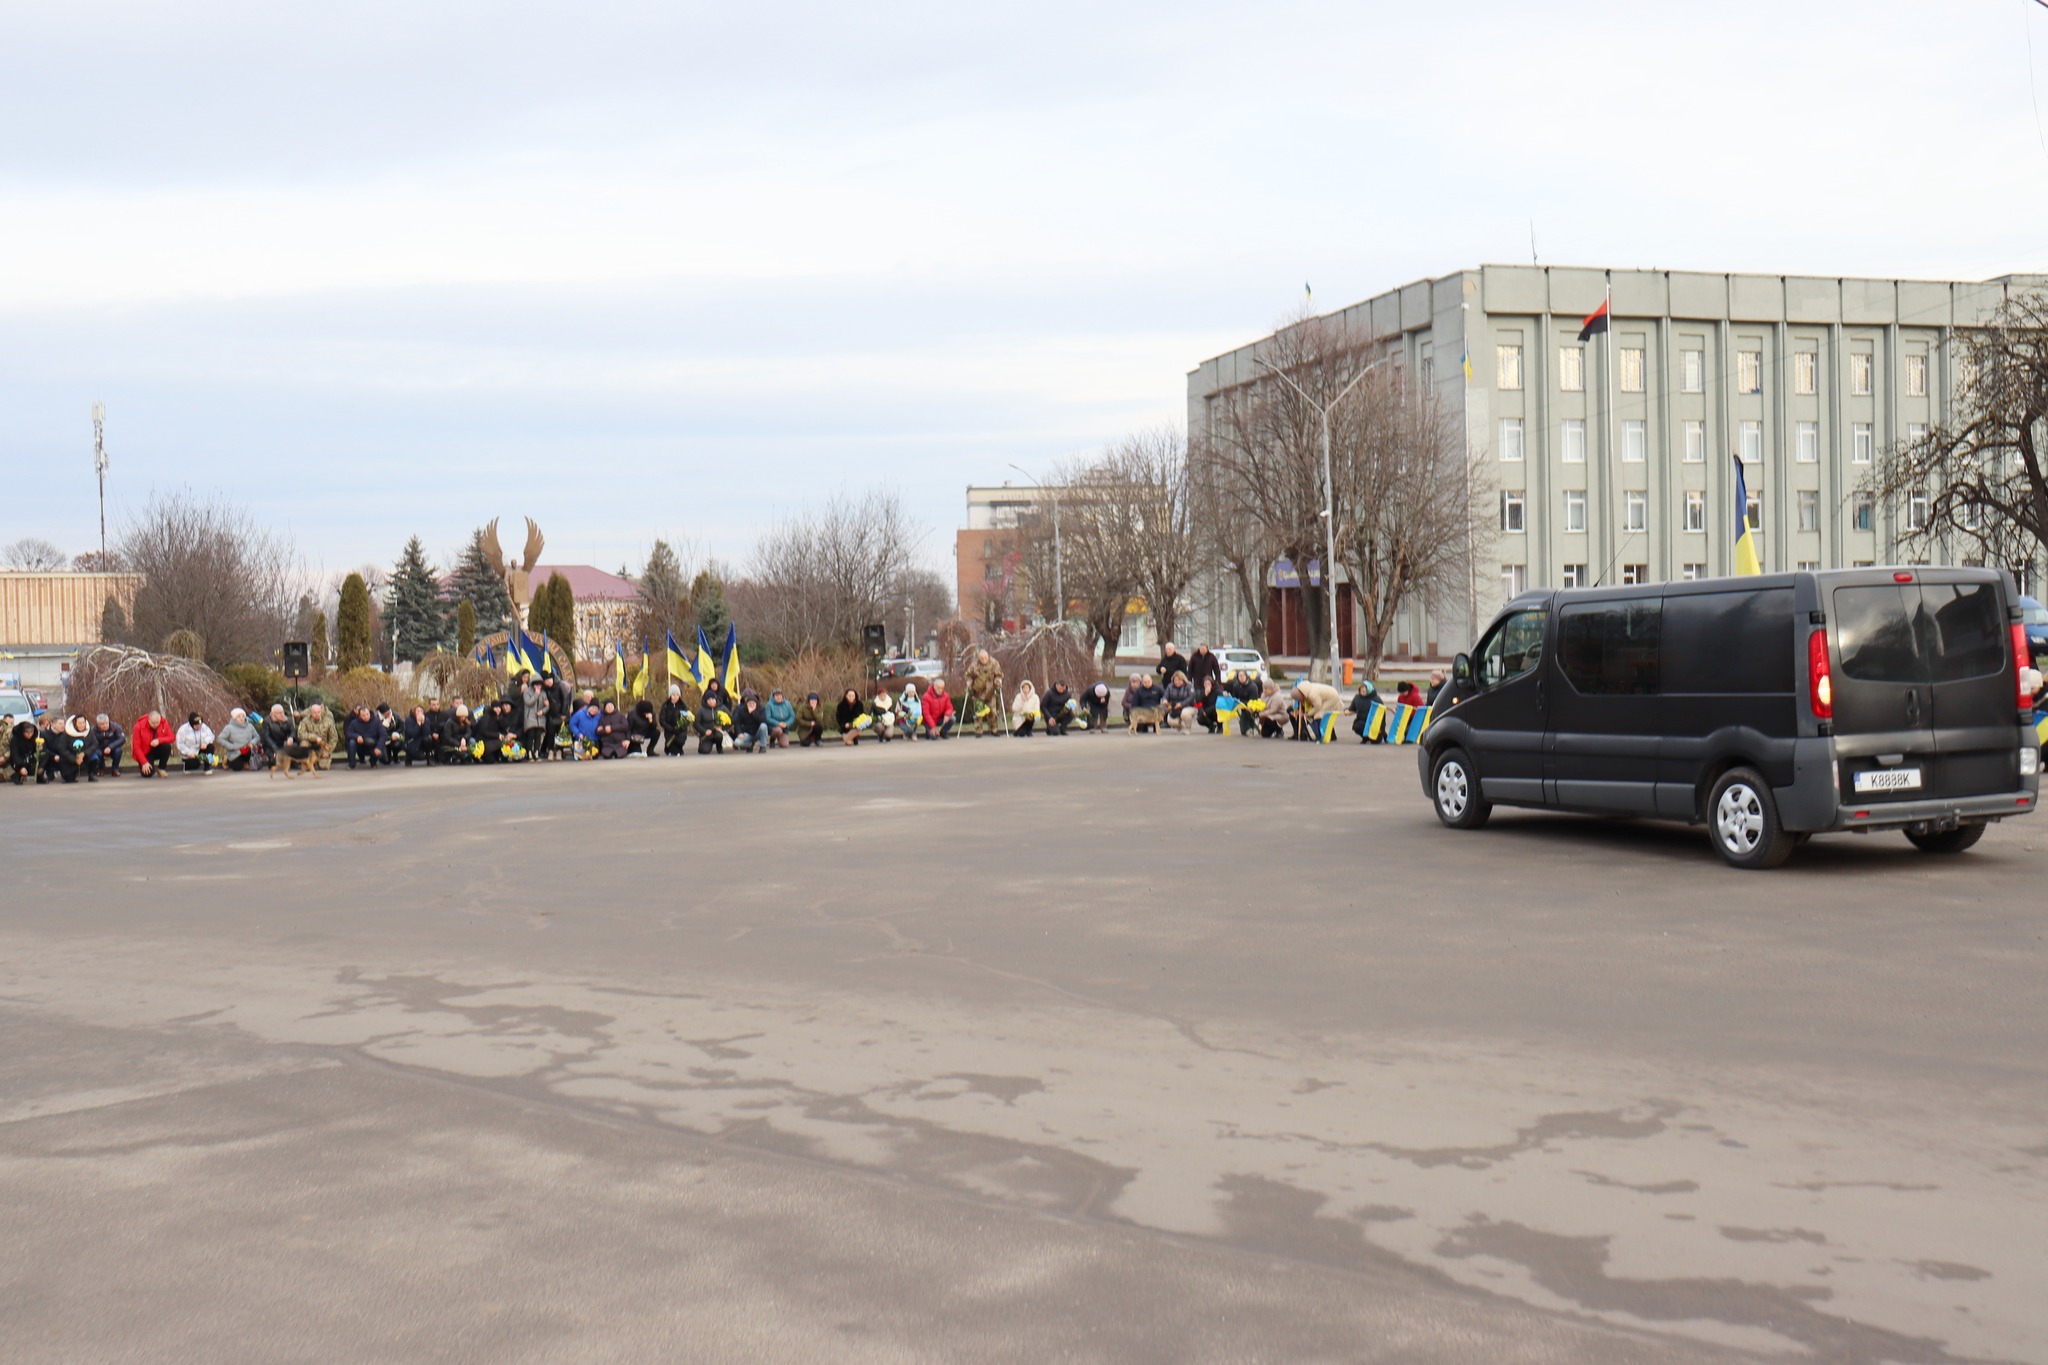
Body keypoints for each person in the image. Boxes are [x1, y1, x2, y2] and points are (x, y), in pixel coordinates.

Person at [45, 715, 94, 783]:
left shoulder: (88, 732)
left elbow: (94, 744)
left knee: (95, 756)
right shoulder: (67, 734)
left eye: (83, 722)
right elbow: (62, 749)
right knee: (69, 778)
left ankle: (92, 775)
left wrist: (84, 753)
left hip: (82, 756)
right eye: (80, 723)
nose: (82, 725)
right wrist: (74, 759)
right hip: (67, 758)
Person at [966, 649, 1004, 736]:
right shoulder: (974, 665)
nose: (983, 659)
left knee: (993, 712)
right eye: (981, 658)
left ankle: (994, 729)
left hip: (990, 691)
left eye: (985, 658)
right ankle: (978, 731)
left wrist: (998, 681)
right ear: (978, 658)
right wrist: (969, 683)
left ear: (988, 657)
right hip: (977, 692)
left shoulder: (994, 663)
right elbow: (968, 675)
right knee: (978, 712)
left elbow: (999, 674)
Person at [131, 709, 176, 778]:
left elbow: (172, 737)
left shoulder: (164, 723)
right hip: (145, 752)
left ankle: (161, 768)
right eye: (153, 723)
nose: (155, 725)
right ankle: (149, 766)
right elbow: (136, 747)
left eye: (157, 722)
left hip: (157, 749)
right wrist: (144, 762)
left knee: (167, 746)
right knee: (147, 774)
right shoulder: (139, 726)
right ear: (148, 720)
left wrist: (159, 740)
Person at [295, 703, 338, 770]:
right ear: (310, 713)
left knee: (324, 767)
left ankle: (318, 761)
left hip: (322, 746)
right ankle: (308, 762)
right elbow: (301, 734)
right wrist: (314, 738)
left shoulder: (328, 721)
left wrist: (328, 751)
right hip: (310, 745)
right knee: (304, 743)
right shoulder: (305, 721)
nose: (317, 714)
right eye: (314, 712)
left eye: (318, 712)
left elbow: (334, 738)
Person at [1225, 671, 1262, 736]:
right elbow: (1234, 697)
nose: (1241, 677)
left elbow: (1253, 701)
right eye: (1240, 676)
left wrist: (1241, 703)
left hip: (1252, 706)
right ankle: (1248, 728)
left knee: (1247, 713)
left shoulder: (1252, 687)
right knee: (1243, 731)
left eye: (1243, 675)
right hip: (1241, 705)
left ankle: (1253, 727)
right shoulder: (1236, 686)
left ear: (1246, 676)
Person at [695, 687, 728, 754]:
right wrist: (704, 731)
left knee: (719, 736)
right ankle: (703, 744)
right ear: (706, 701)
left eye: (713, 699)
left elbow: (731, 720)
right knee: (704, 751)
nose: (711, 701)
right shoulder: (701, 709)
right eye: (709, 699)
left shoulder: (722, 707)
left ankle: (719, 746)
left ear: (715, 699)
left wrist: (722, 728)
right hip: (707, 734)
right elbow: (696, 723)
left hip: (718, 733)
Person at [659, 686, 691, 756]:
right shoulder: (665, 706)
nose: (675, 697)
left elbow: (687, 719)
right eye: (673, 695)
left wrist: (681, 726)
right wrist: (671, 728)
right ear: (670, 696)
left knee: (680, 741)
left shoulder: (683, 706)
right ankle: (669, 747)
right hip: (669, 730)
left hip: (680, 730)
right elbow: (662, 720)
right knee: (674, 750)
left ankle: (677, 748)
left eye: (677, 695)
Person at [9, 717, 41, 785]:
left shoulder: (33, 739)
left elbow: (34, 752)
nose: (29, 734)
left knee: (44, 754)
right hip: (18, 761)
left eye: (31, 732)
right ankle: (18, 774)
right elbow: (15, 754)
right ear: (22, 732)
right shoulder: (15, 740)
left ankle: (38, 774)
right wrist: (21, 766)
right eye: (27, 732)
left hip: (29, 760)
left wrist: (39, 749)